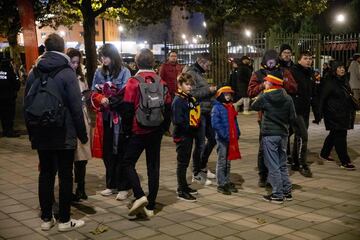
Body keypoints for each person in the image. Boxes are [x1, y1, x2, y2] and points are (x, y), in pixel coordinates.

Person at [24, 33, 87, 231]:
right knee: (66, 176)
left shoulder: (34, 70)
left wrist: (31, 132)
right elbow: (76, 107)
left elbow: (27, 103)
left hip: (41, 131)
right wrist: (82, 134)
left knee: (46, 174)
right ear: (62, 48)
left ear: (45, 47)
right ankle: (65, 220)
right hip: (63, 131)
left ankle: (46, 218)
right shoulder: (67, 72)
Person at [122, 48, 171, 217]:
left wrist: (127, 131)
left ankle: (139, 195)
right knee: (153, 165)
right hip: (156, 129)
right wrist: (164, 128)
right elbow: (168, 106)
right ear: (152, 63)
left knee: (127, 163)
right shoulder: (161, 81)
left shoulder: (133, 82)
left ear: (136, 63)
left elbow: (128, 108)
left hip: (138, 129)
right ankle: (151, 205)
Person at [247, 49, 297, 187]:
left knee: (280, 148)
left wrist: (281, 83)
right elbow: (250, 92)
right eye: (268, 62)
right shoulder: (257, 74)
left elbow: (293, 87)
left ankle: (276, 176)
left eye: (273, 62)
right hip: (264, 117)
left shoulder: (284, 72)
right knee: (264, 148)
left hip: (281, 115)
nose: (270, 65)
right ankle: (264, 175)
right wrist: (263, 85)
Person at [91, 43, 131, 200]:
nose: (103, 59)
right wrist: (101, 98)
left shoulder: (125, 71)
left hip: (120, 118)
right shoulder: (99, 72)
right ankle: (111, 184)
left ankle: (124, 186)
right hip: (105, 117)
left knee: (121, 150)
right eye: (101, 56)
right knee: (108, 151)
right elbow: (93, 91)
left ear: (113, 56)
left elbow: (127, 93)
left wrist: (112, 100)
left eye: (105, 56)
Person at [251, 72, 296, 203]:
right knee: (282, 164)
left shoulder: (266, 96)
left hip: (270, 134)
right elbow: (292, 118)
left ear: (271, 84)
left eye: (266, 82)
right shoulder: (287, 98)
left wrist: (262, 93)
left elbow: (254, 106)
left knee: (273, 165)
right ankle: (287, 191)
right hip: (283, 134)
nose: (265, 83)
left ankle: (277, 194)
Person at [182, 53, 217, 185]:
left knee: (213, 139)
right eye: (207, 65)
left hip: (207, 111)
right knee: (200, 143)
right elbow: (192, 93)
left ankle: (202, 166)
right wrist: (209, 90)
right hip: (199, 112)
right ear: (201, 62)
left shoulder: (200, 73)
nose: (208, 68)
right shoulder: (191, 73)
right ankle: (196, 173)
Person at [315, 61, 356, 170]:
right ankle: (344, 161)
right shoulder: (329, 82)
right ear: (334, 69)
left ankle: (324, 153)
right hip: (333, 114)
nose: (342, 69)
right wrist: (318, 114)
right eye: (339, 67)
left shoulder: (344, 80)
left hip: (343, 113)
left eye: (343, 67)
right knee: (341, 136)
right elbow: (322, 99)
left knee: (334, 134)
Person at [66, 48, 91, 201]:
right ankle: (68, 190)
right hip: (69, 121)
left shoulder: (81, 79)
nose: (75, 65)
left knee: (82, 158)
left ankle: (80, 188)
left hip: (82, 119)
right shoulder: (64, 77)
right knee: (68, 158)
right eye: (72, 62)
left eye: (77, 62)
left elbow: (86, 98)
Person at [172, 73, 200, 202]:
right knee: (182, 163)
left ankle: (184, 186)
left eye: (191, 85)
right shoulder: (178, 100)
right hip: (183, 136)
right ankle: (181, 190)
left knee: (185, 161)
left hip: (189, 134)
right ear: (180, 85)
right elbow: (178, 120)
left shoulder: (187, 98)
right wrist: (190, 126)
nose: (189, 87)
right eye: (187, 84)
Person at [289, 51, 316, 177]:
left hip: (305, 109)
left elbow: (312, 91)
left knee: (299, 136)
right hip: (295, 109)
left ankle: (295, 162)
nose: (308, 61)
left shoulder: (310, 72)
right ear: (299, 60)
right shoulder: (293, 71)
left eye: (310, 58)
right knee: (303, 136)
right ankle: (302, 164)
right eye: (305, 58)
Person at [211, 86, 241, 195]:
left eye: (229, 94)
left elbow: (235, 121)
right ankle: (221, 183)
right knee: (222, 161)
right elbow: (216, 124)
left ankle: (227, 181)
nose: (228, 96)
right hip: (222, 139)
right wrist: (224, 135)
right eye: (226, 94)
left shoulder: (230, 107)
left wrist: (237, 132)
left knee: (228, 161)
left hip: (231, 138)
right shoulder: (217, 108)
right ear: (220, 95)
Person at [0, 55, 20, 138]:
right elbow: (17, 84)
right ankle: (9, 131)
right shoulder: (10, 72)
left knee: (3, 115)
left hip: (0, 98)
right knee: (9, 115)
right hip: (9, 98)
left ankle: (5, 130)